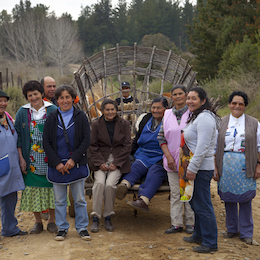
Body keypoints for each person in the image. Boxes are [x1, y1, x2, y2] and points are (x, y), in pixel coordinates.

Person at [43, 85, 91, 241]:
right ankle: (62, 228)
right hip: (57, 166)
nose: (65, 100)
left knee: (79, 199)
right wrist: (56, 163)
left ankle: (82, 227)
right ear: (57, 100)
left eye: (67, 97)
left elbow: (86, 140)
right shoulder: (51, 118)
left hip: (76, 164)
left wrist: (73, 159)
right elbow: (46, 142)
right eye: (61, 98)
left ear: (73, 98)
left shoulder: (81, 116)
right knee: (59, 201)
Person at [214, 91, 260, 245]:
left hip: (246, 164)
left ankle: (246, 233)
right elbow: (214, 148)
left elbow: (259, 147)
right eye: (234, 103)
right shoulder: (221, 122)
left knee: (245, 198)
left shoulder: (254, 123)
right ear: (229, 104)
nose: (237, 106)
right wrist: (215, 168)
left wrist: (259, 166)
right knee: (229, 198)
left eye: (241, 103)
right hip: (225, 165)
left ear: (245, 106)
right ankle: (232, 229)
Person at [14, 81, 58, 234]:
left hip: (50, 158)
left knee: (51, 189)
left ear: (41, 94)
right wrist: (21, 158)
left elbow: (59, 135)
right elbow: (18, 138)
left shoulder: (53, 109)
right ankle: (38, 222)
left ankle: (52, 221)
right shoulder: (22, 112)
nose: (33, 97)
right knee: (33, 190)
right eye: (30, 95)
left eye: (36, 94)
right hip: (30, 158)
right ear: (27, 97)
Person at [182, 87, 220, 253]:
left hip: (200, 168)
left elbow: (203, 147)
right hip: (195, 167)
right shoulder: (198, 116)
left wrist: (192, 168)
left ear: (203, 101)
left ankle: (210, 242)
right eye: (188, 98)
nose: (189, 101)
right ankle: (198, 235)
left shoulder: (205, 118)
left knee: (203, 204)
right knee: (195, 202)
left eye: (194, 98)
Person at [116, 97, 168, 212]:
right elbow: (137, 138)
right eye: (153, 107)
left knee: (155, 172)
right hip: (144, 153)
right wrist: (129, 153)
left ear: (166, 109)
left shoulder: (169, 121)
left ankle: (143, 200)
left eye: (159, 108)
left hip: (161, 155)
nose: (155, 110)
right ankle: (124, 186)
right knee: (136, 166)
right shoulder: (146, 119)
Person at [89, 99, 132, 232]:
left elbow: (127, 145)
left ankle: (108, 216)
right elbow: (92, 146)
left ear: (116, 110)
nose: (110, 112)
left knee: (110, 185)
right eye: (107, 110)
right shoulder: (96, 124)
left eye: (112, 109)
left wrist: (117, 163)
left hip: (118, 160)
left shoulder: (124, 124)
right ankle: (96, 217)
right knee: (100, 183)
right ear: (102, 111)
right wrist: (100, 162)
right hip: (100, 160)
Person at [158, 84, 194, 234]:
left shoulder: (193, 113)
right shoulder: (166, 114)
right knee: (175, 193)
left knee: (189, 191)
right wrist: (168, 156)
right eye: (175, 94)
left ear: (186, 95)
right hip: (171, 159)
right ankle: (177, 223)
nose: (178, 96)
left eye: (181, 93)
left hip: (189, 159)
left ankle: (191, 223)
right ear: (171, 97)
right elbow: (161, 138)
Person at [0, 90, 27, 237]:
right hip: (2, 165)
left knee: (10, 198)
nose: (3, 103)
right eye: (0, 101)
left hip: (10, 166)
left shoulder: (7, 119)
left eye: (5, 101)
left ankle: (10, 229)